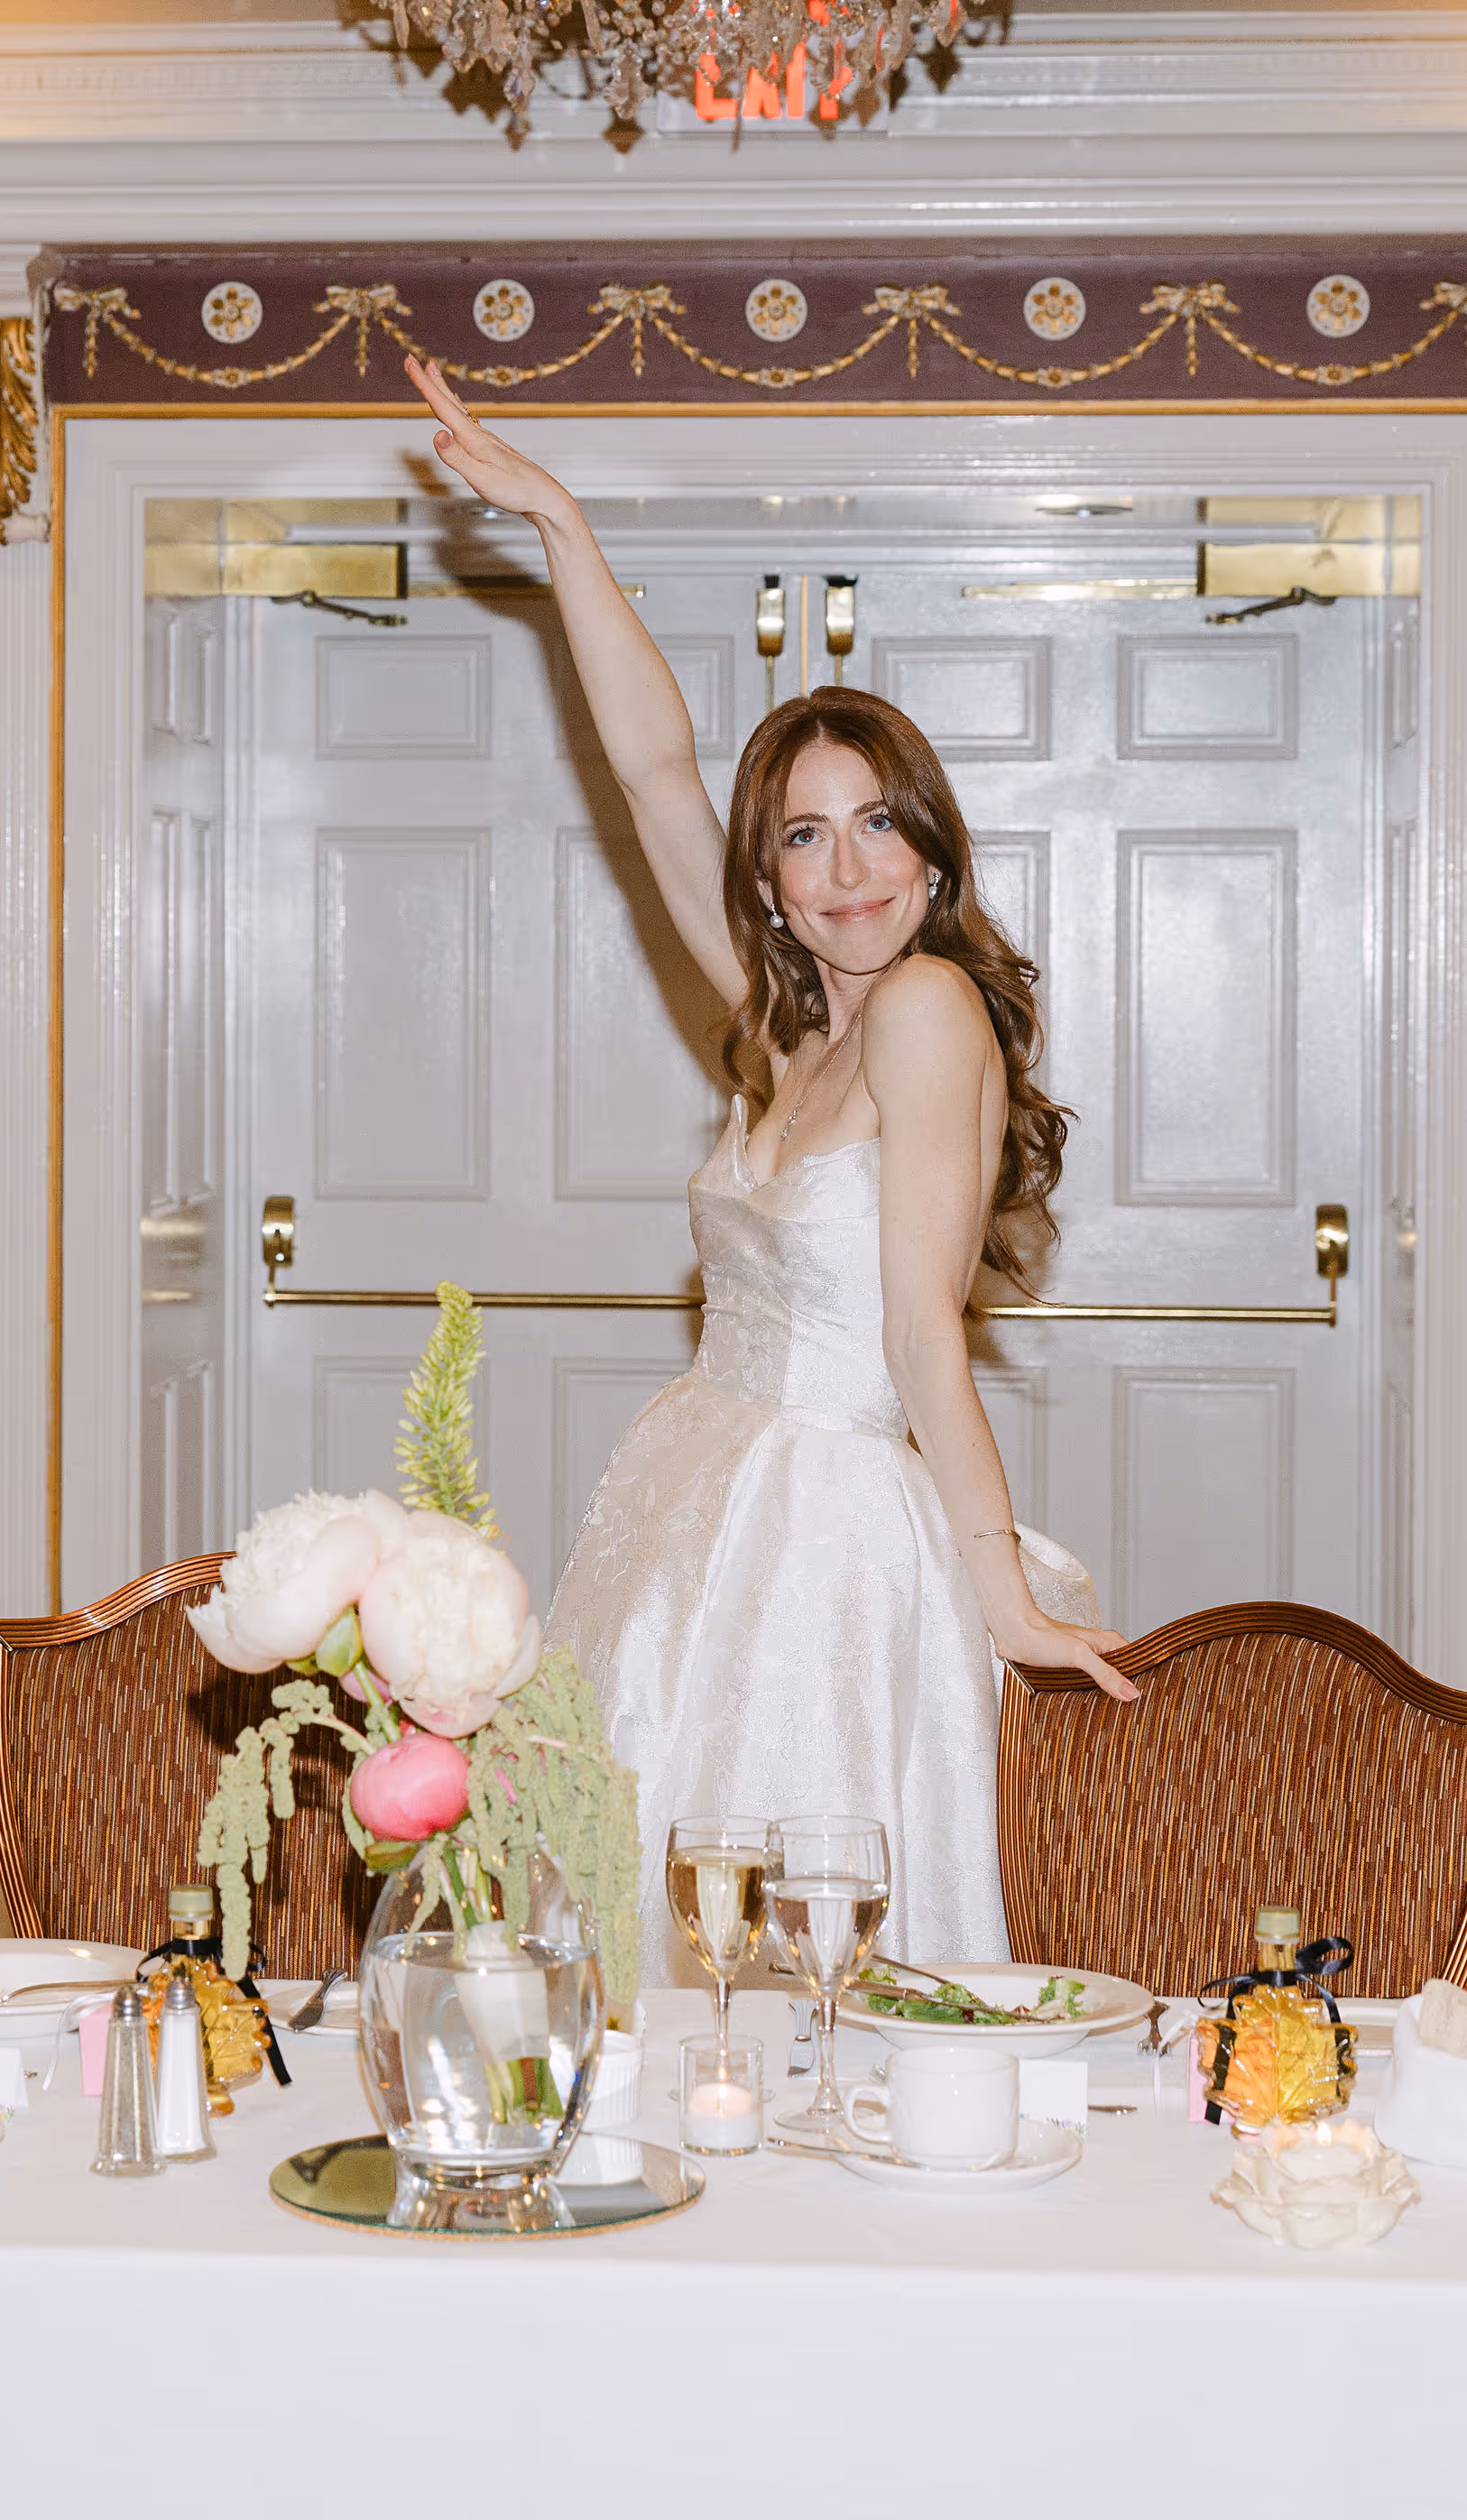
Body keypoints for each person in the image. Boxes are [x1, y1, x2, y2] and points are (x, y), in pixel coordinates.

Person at [406, 354, 1137, 1971]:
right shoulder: (791, 1018)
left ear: (933, 849)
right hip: (698, 1483)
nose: (846, 868)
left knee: (795, 1939)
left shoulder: (931, 1009)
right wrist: (562, 530)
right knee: (649, 1909)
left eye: (880, 824)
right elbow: (657, 775)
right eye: (804, 835)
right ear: (773, 873)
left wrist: (1002, 1594)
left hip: (821, 1543)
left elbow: (918, 1331)